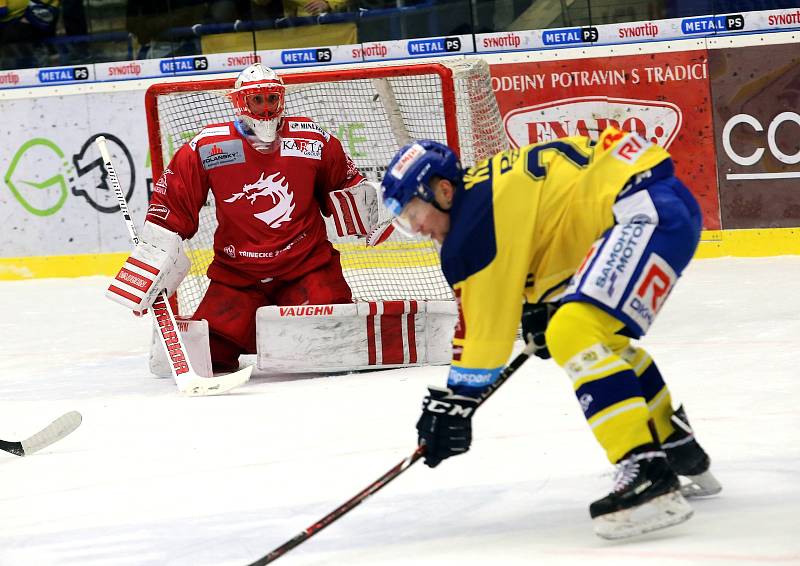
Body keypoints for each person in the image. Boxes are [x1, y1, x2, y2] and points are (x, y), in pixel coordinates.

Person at [380, 130, 722, 540]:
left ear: (445, 191)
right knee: (596, 338)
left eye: (414, 213)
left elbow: (482, 340)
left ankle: (647, 472)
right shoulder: (489, 196)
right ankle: (673, 443)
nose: (415, 228)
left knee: (571, 330)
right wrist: (541, 305)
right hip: (651, 202)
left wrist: (456, 404)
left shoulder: (472, 229)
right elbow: (555, 222)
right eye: (404, 220)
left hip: (644, 210)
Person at [107, 63, 373, 373]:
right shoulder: (208, 146)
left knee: (330, 347)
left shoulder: (313, 140)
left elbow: (346, 187)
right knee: (211, 354)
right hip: (239, 277)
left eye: (271, 99)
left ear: (281, 99)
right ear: (239, 102)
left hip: (307, 268)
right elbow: (170, 210)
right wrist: (150, 272)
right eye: (256, 100)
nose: (265, 108)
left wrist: (369, 210)